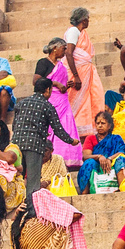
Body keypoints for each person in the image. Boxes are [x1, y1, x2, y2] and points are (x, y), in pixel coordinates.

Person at [12, 76, 76, 198]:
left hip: (16, 145)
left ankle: (19, 207)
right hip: (34, 146)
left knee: (19, 179)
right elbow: (58, 130)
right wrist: (71, 140)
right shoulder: (47, 105)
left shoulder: (21, 103)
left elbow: (15, 126)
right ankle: (32, 211)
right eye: (51, 90)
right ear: (47, 90)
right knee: (33, 182)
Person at [36, 38, 83, 167]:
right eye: (63, 48)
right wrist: (56, 83)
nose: (65, 51)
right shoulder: (43, 63)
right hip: (51, 100)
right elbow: (36, 81)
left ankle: (69, 159)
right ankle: (52, 158)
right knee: (52, 127)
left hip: (63, 100)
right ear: (55, 48)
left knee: (66, 125)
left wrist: (65, 85)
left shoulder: (61, 65)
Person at [61, 7, 107, 132]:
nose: (88, 21)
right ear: (83, 20)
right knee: (77, 103)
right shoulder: (73, 31)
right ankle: (73, 131)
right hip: (77, 72)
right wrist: (76, 76)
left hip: (87, 72)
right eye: (87, 19)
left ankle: (88, 130)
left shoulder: (81, 33)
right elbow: (69, 53)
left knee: (94, 99)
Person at [77, 109, 125, 195]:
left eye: (103, 123)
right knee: (88, 163)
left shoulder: (116, 138)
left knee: (121, 160)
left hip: (112, 166)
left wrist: (109, 159)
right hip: (96, 167)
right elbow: (85, 156)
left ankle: (123, 191)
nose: (99, 126)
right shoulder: (90, 138)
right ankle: (85, 194)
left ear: (109, 125)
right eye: (98, 123)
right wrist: (99, 157)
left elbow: (121, 152)